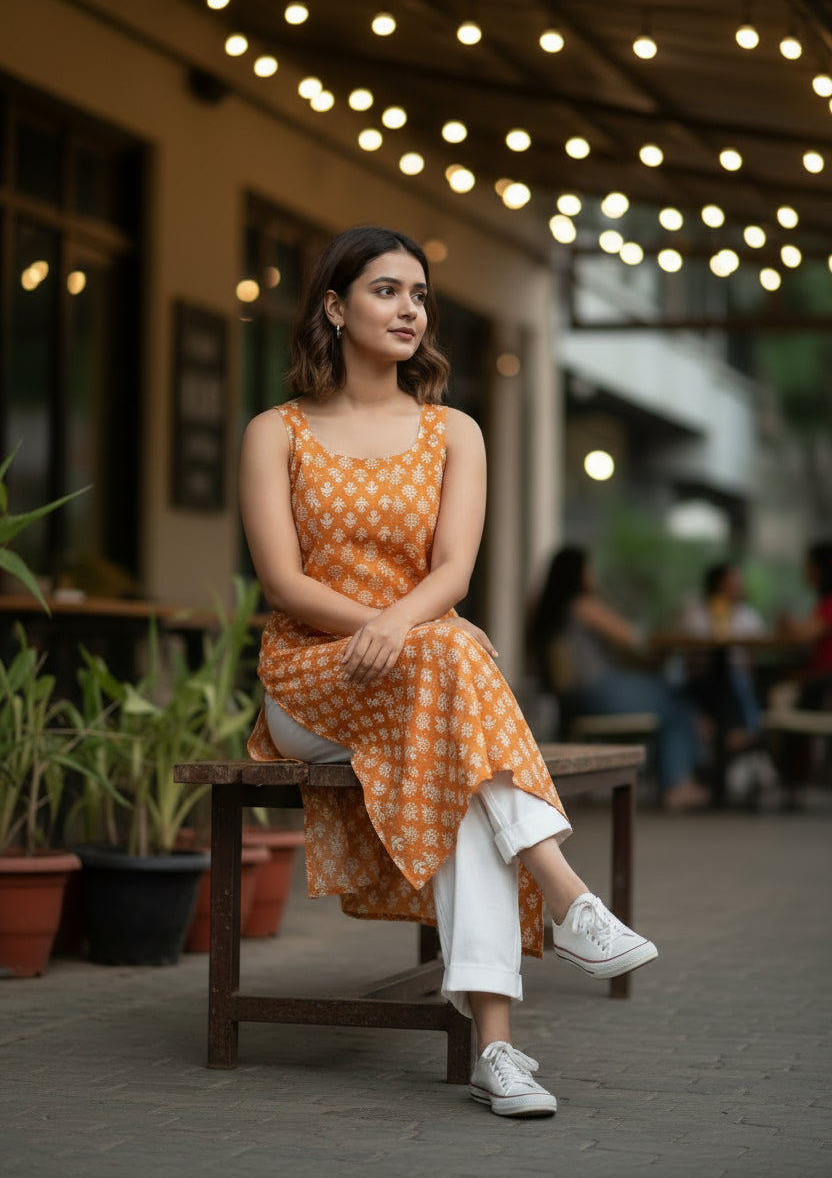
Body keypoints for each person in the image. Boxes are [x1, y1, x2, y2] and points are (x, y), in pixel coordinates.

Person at [239, 225, 657, 1119]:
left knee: (459, 741)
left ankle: (497, 1054)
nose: (408, 309)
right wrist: (398, 629)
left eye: (418, 295)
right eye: (386, 290)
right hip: (310, 681)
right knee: (455, 652)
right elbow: (283, 580)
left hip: (420, 672)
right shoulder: (274, 433)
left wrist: (410, 629)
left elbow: (453, 574)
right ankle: (569, 895)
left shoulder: (453, 432)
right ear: (334, 305)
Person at [531, 545, 708, 812]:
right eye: (589, 568)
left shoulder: (544, 608)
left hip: (572, 697)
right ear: (578, 573)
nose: (593, 574)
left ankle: (679, 777)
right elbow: (633, 638)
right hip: (597, 690)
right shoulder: (584, 605)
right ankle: (678, 784)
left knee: (670, 695)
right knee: (678, 702)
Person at [682, 561, 766, 743]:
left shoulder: (748, 615)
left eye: (739, 582)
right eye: (733, 582)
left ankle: (744, 730)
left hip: (736, 677)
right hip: (703, 679)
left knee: (736, 680)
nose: (738, 586)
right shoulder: (697, 615)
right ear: (717, 585)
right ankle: (741, 729)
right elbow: (689, 654)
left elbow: (754, 653)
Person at [781, 540, 832, 709]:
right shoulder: (823, 603)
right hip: (821, 677)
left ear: (820, 569)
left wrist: (789, 625)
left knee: (776, 693)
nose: (804, 571)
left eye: (808, 565)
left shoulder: (829, 603)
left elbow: (803, 635)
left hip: (824, 680)